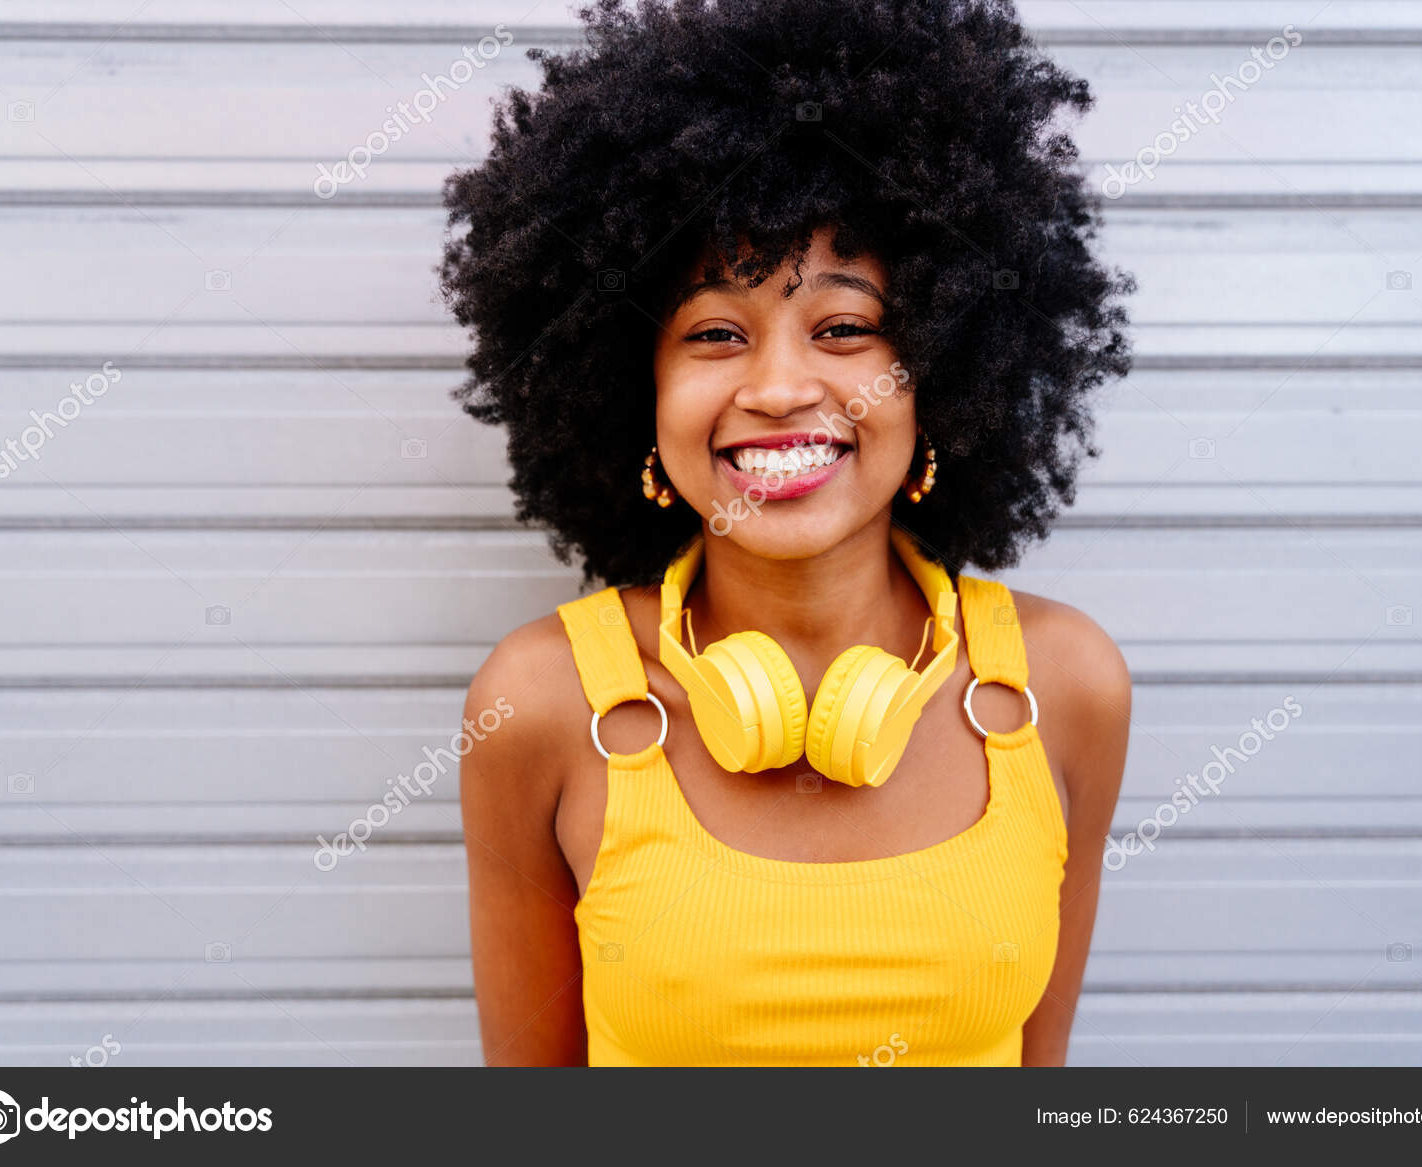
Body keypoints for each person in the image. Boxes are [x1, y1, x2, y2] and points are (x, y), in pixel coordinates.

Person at [442, 0, 1134, 1066]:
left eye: (846, 328)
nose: (777, 388)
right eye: (715, 332)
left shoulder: (1065, 685)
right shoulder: (538, 704)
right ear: (635, 387)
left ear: (943, 372)